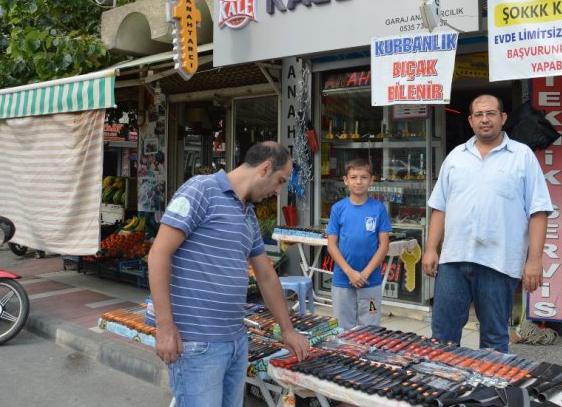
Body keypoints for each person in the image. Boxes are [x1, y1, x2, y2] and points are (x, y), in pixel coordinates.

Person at [148, 141, 310, 406]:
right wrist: (165, 326)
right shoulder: (201, 189)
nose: (279, 191)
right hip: (196, 344)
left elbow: (266, 275)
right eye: (280, 181)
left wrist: (287, 329)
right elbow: (159, 254)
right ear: (265, 168)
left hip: (235, 341)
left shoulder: (248, 214)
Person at [422, 94, 553, 353]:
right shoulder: (456, 156)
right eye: (479, 115)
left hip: (499, 262)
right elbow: (440, 207)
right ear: (470, 121)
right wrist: (430, 249)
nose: (485, 119)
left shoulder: (522, 156)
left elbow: (538, 212)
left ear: (502, 118)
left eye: (491, 113)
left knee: (494, 338)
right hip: (454, 260)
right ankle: (444, 390)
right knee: (442, 336)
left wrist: (535, 260)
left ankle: (491, 392)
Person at [326, 158, 391, 329]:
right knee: (342, 327)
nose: (359, 181)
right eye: (354, 177)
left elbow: (384, 245)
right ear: (346, 180)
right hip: (342, 280)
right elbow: (332, 245)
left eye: (364, 177)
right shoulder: (338, 209)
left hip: (371, 283)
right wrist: (350, 273)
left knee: (370, 326)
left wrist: (365, 274)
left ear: (371, 180)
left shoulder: (379, 208)